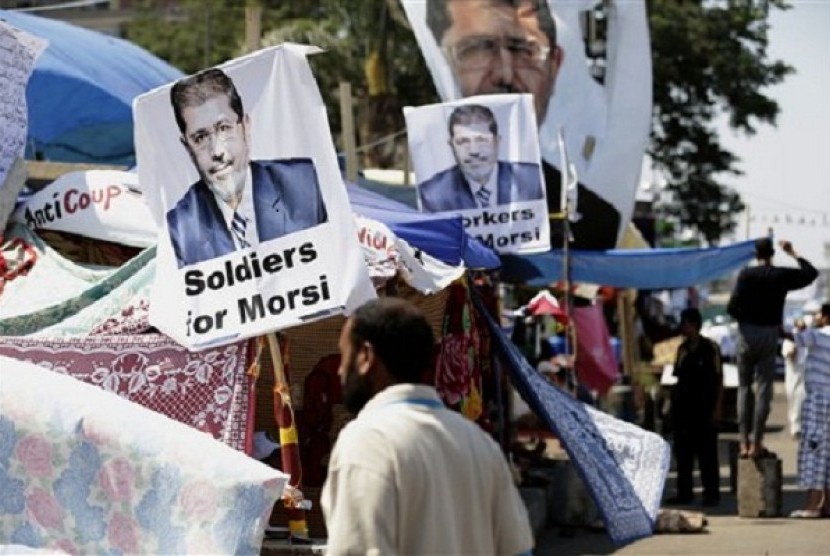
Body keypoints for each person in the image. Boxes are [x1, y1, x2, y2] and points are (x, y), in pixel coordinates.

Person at [321, 298, 534, 555]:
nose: (340, 371)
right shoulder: (479, 443)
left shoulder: (368, 442)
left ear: (366, 356)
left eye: (344, 355)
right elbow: (518, 550)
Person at [426, 0, 621, 249]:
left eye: (524, 50)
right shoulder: (408, 212)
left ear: (555, 64)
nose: (505, 75)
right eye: (478, 48)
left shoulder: (595, 223)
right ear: (446, 62)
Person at [166, 67, 328, 267]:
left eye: (224, 128)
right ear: (187, 147)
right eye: (200, 138)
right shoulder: (180, 227)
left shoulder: (304, 185)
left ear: (245, 126)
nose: (217, 151)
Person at [727, 238, 818, 458]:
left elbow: (731, 307)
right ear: (772, 254)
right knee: (764, 389)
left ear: (755, 254)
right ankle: (757, 444)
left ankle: (743, 443)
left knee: (743, 388)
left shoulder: (745, 275)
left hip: (746, 334)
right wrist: (793, 251)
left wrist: (746, 321)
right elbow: (810, 273)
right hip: (769, 334)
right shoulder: (779, 275)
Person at [418, 104, 543, 211]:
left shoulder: (531, 180)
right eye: (463, 142)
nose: (474, 151)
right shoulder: (434, 194)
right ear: (451, 145)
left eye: (482, 140)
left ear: (497, 141)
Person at [667, 308, 723, 507]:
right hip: (684, 408)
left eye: (686, 323)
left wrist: (717, 408)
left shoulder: (711, 348)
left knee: (707, 453)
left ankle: (711, 493)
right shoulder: (682, 349)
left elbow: (718, 379)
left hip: (705, 408)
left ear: (694, 325)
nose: (683, 327)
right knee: (684, 454)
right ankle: (685, 492)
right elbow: (678, 377)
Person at [789, 303, 830, 518]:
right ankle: (826, 505)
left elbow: (792, 338)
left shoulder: (818, 335)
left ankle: (812, 505)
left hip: (818, 399)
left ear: (825, 316)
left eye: (818, 314)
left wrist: (798, 327)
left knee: (815, 450)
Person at [782, 318, 808, 438]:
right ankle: (795, 428)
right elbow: (789, 355)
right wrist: (796, 344)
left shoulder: (808, 339)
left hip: (805, 377)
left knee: (803, 400)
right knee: (794, 401)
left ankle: (802, 428)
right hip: (793, 377)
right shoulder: (789, 340)